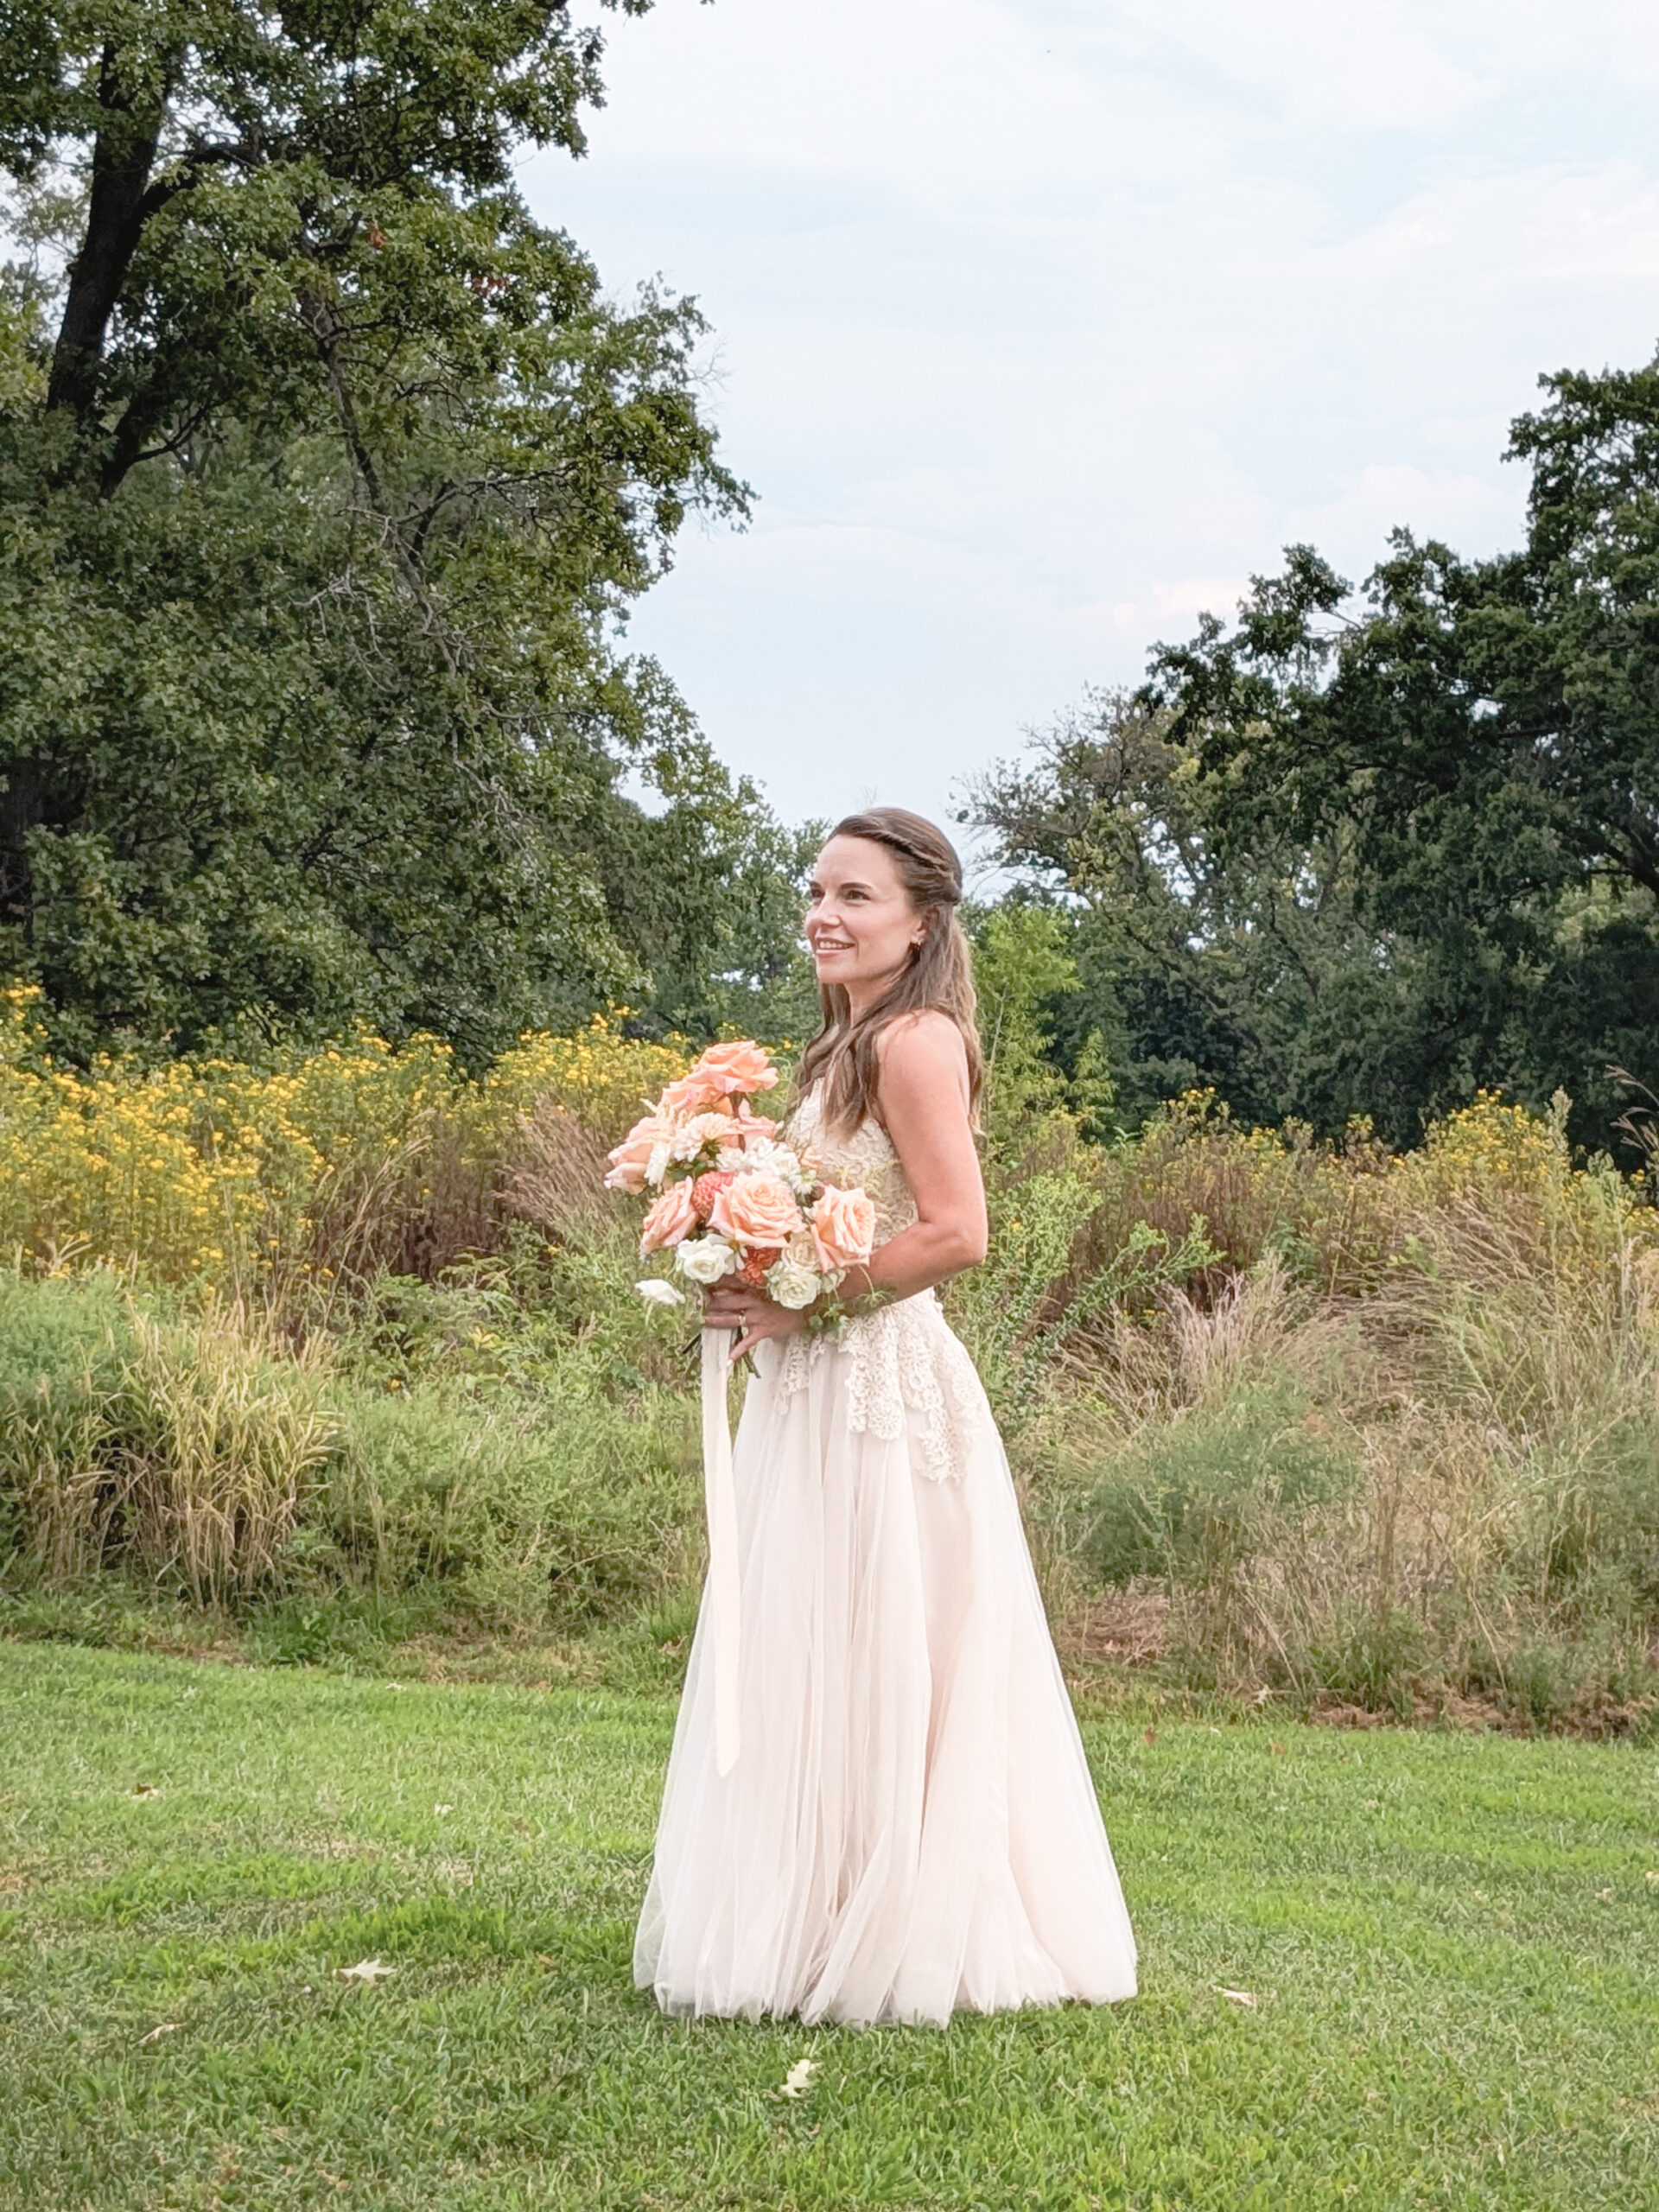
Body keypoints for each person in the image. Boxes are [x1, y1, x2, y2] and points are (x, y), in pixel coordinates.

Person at [633, 807, 1137, 2025]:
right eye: (816, 890)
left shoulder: (914, 1042)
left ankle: (905, 1920)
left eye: (856, 895)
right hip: (813, 1387)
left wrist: (809, 1298)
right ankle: (813, 1911)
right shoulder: (838, 1048)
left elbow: (959, 1232)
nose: (824, 912)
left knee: (887, 1635)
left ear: (920, 923)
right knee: (816, 1637)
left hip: (880, 1390)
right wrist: (736, 1256)